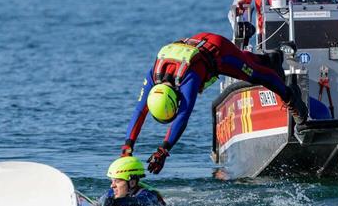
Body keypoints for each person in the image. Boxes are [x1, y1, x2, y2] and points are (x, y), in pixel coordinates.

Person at [121, 32, 308, 174]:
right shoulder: (153, 76)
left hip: (219, 51)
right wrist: (127, 147)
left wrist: (163, 151)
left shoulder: (188, 79)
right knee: (247, 60)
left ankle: (290, 95)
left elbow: (183, 116)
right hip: (198, 42)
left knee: (254, 74)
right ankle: (270, 59)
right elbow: (139, 111)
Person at [98, 156, 165, 206]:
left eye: (117, 181)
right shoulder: (115, 191)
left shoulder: (149, 196)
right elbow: (103, 200)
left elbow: (138, 202)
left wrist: (114, 203)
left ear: (132, 183)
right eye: (112, 181)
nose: (112, 185)